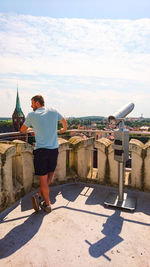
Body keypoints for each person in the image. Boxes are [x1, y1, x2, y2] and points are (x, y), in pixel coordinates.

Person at [20, 95, 68, 213]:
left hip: (41, 151)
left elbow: (22, 130)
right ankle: (39, 195)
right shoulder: (53, 111)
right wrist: (63, 130)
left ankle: (47, 204)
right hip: (53, 149)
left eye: (32, 103)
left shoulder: (32, 115)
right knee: (50, 174)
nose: (31, 106)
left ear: (37, 103)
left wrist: (32, 130)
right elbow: (64, 122)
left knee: (43, 179)